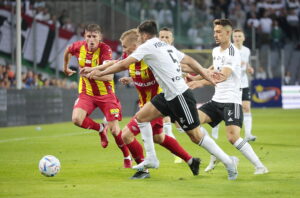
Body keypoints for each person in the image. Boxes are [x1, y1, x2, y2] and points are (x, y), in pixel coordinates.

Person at [84, 20, 239, 180]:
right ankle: (151, 159)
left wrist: (100, 73)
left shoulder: (147, 46)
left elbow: (123, 64)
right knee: (141, 117)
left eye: (139, 35)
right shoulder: (163, 45)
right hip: (167, 95)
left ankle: (229, 163)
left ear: (144, 35)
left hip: (180, 96)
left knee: (195, 136)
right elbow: (189, 61)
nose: (138, 38)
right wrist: (206, 73)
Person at [88, 29, 201, 179]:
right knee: (159, 138)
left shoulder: (149, 58)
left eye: (125, 46)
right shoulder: (130, 57)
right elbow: (117, 63)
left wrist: (199, 72)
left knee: (126, 135)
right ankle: (191, 160)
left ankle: (144, 170)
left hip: (155, 106)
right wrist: (93, 69)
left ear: (135, 45)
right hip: (147, 106)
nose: (123, 50)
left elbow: (180, 67)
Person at [188, 19, 268, 175]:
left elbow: (222, 76)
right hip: (216, 100)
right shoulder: (216, 51)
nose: (215, 35)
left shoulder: (233, 52)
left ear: (228, 33)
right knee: (192, 123)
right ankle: (219, 155)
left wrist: (201, 83)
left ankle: (260, 166)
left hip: (231, 102)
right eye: (214, 32)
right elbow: (212, 69)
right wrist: (194, 78)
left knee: (233, 138)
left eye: (219, 32)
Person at [63, 24, 131, 168]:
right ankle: (100, 129)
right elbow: (68, 50)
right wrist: (66, 67)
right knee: (76, 119)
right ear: (84, 37)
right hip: (87, 93)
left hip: (106, 94)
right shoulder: (78, 47)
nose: (91, 39)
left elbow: (109, 77)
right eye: (89, 36)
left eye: (94, 36)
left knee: (114, 129)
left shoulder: (105, 50)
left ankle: (127, 156)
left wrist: (92, 74)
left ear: (100, 37)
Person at [205, 28, 257, 172]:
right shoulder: (221, 51)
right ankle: (216, 148)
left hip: (239, 85)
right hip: (222, 89)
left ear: (244, 38)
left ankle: (248, 135)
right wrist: (202, 74)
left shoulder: (244, 51)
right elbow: (217, 67)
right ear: (232, 36)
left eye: (240, 36)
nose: (238, 38)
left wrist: (249, 68)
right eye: (236, 36)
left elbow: (236, 68)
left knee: (245, 108)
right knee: (196, 121)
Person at [158, 27, 183, 164]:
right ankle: (177, 155)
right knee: (164, 124)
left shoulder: (175, 53)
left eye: (167, 37)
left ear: (172, 40)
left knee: (187, 129)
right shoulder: (154, 54)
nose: (164, 40)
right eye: (162, 37)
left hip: (176, 94)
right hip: (162, 95)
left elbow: (184, 67)